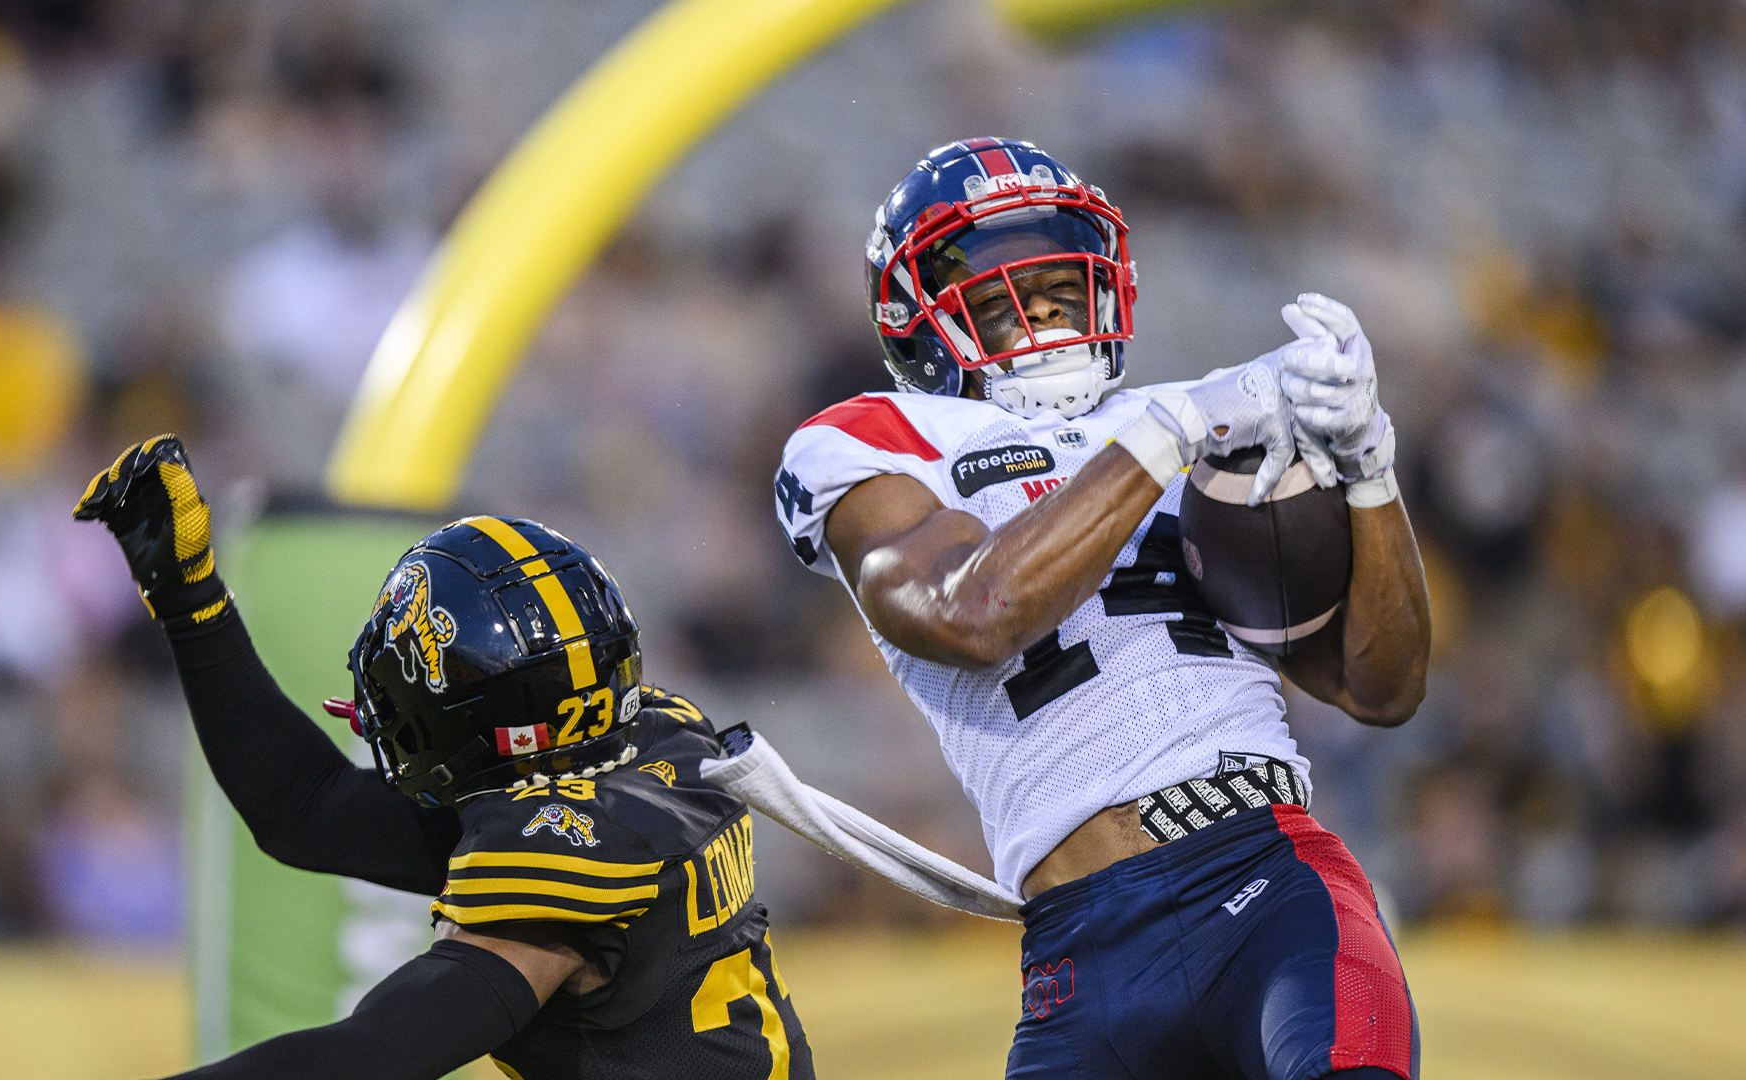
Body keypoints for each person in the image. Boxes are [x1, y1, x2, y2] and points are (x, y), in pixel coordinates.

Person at [773, 139, 1430, 1080]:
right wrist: (1170, 434)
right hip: (1077, 954)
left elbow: (1382, 683)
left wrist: (1369, 467)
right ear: (915, 318)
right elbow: (975, 613)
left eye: (1053, 282)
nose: (1037, 308)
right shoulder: (873, 441)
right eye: (997, 291)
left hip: (1260, 871)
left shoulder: (1209, 414)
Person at [75, 436, 811, 1080]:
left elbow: (368, 1060)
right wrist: (194, 604)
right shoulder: (655, 738)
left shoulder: (563, 860)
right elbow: (305, 809)